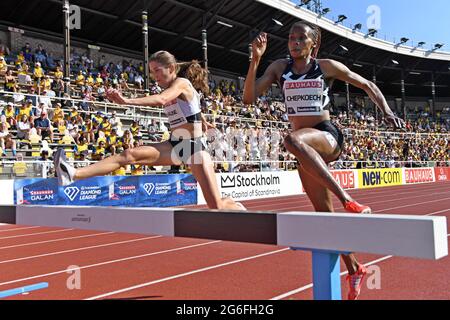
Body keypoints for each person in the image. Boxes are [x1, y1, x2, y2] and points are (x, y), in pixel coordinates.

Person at [243, 22, 405, 300]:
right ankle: (355, 268)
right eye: (291, 38)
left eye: (300, 38)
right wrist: (255, 61)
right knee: (324, 217)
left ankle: (348, 200)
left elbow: (366, 84)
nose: (294, 42)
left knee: (291, 140)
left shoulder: (326, 66)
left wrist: (387, 112)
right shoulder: (279, 68)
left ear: (313, 44)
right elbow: (248, 99)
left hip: (327, 137)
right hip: (305, 148)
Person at [54, 50, 245, 211]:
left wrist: (127, 101)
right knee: (130, 154)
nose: (154, 76)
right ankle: (72, 174)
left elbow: (162, 100)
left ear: (171, 69)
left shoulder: (181, 83)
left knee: (217, 207)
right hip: (176, 144)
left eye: (157, 71)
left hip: (194, 149)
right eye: (152, 72)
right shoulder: (177, 88)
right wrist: (202, 119)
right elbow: (190, 107)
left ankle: (232, 204)